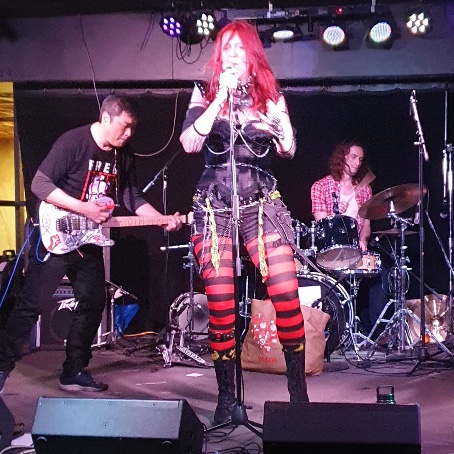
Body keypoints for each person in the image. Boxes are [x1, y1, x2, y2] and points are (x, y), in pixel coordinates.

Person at [0, 94, 182, 393]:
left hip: (88, 239)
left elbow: (131, 197)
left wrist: (160, 219)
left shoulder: (123, 155)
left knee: (94, 301)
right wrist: (83, 208)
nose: (129, 133)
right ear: (106, 118)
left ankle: (73, 371)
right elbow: (40, 184)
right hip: (57, 233)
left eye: (133, 128)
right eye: (124, 126)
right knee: (30, 305)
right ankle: (1, 368)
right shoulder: (73, 142)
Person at [179, 20, 308, 424]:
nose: (232, 54)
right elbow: (190, 143)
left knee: (286, 294)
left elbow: (288, 149)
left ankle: (298, 396)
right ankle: (226, 400)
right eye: (226, 48)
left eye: (240, 47)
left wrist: (280, 127)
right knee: (221, 308)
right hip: (214, 208)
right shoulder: (204, 93)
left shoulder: (270, 95)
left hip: (262, 204)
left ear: (252, 54)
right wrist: (220, 98)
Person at [310, 141, 388, 335]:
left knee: (382, 275)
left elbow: (366, 224)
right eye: (353, 157)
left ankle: (374, 333)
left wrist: (363, 239)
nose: (357, 163)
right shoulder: (320, 186)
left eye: (360, 159)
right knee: (334, 287)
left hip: (356, 250)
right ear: (342, 157)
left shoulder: (364, 189)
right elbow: (322, 224)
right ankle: (338, 331)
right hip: (332, 252)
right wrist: (336, 214)